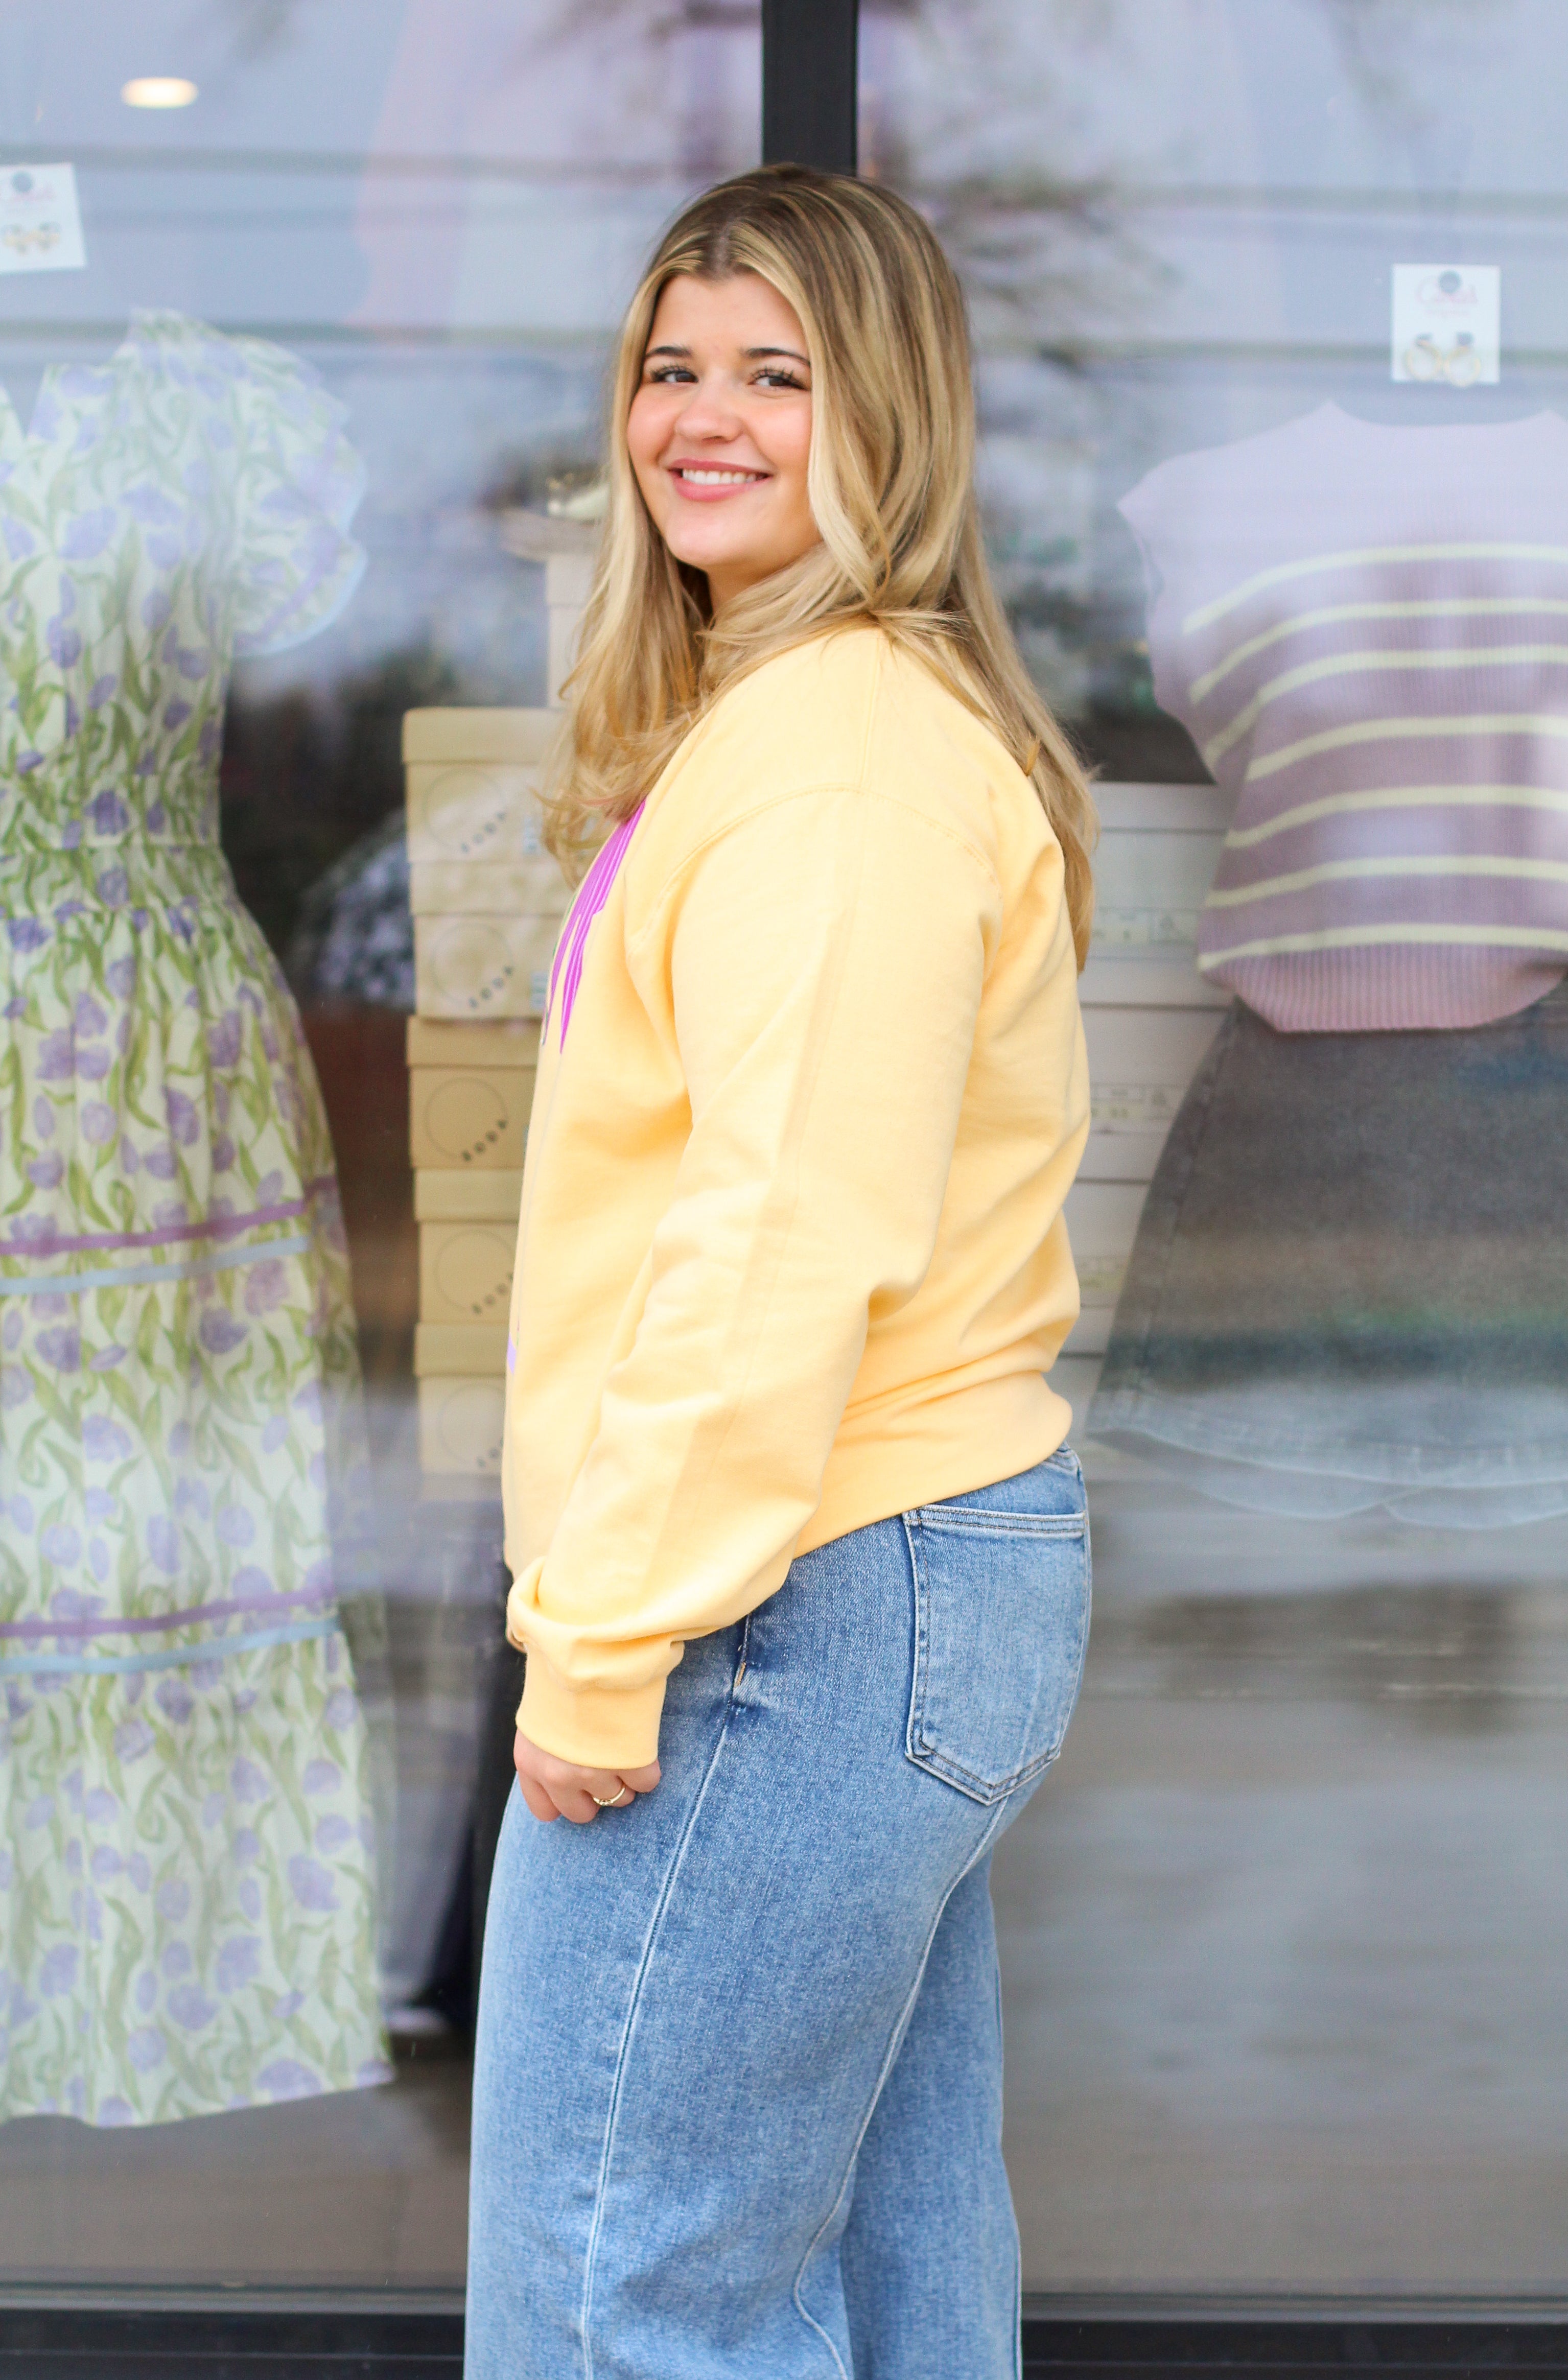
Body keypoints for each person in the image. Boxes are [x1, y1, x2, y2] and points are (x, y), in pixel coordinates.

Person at [465, 163, 1095, 2380]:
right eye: (670, 366)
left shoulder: (836, 761)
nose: (700, 419)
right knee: (893, 2282)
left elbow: (776, 1241)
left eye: (776, 373)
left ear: (890, 416)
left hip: (790, 1600)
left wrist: (603, 1639)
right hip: (871, 1573)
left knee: (618, 2296)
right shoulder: (816, 723)